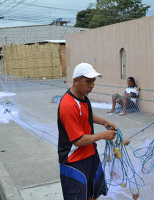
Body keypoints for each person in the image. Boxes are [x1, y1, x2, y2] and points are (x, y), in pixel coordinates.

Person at [57, 63, 117, 200]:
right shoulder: (68, 104)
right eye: (88, 81)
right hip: (74, 161)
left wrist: (104, 122)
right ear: (76, 81)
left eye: (93, 82)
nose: (91, 86)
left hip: (90, 155)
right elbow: (78, 140)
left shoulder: (83, 97)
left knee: (93, 194)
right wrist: (103, 135)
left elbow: (86, 115)